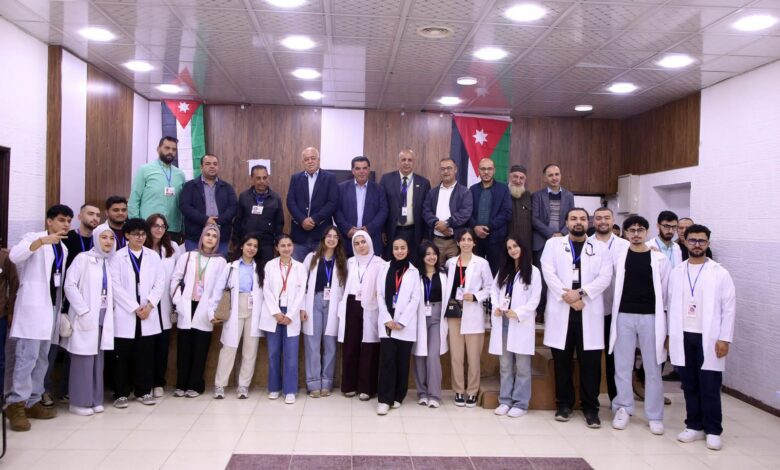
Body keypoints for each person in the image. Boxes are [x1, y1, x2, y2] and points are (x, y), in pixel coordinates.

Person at [541, 208, 612, 428]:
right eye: (573, 219)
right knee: (562, 362)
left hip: (588, 310)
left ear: (588, 223)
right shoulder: (553, 245)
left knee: (590, 364)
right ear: (566, 222)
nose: (578, 222)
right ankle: (564, 405)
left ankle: (591, 408)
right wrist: (568, 297)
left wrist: (580, 293)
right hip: (562, 309)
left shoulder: (600, 248)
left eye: (582, 219)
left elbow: (605, 277)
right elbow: (548, 273)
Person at [4, 204, 71, 432]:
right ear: (49, 221)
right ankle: (16, 404)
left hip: (52, 308)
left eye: (68, 221)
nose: (65, 224)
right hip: (33, 309)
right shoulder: (34, 238)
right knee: (27, 357)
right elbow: (15, 256)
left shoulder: (63, 248)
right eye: (61, 220)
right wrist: (41, 242)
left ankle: (32, 401)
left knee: (43, 357)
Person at [668, 224, 735, 451]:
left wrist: (724, 338)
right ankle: (693, 425)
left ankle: (713, 430)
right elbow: (670, 304)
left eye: (702, 241)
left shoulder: (719, 272)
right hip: (683, 335)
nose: (697, 245)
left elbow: (729, 308)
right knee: (689, 384)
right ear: (685, 242)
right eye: (693, 240)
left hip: (710, 337)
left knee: (709, 384)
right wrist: (669, 335)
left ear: (707, 243)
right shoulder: (677, 271)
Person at [609, 215, 671, 435]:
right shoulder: (618, 256)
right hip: (623, 316)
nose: (636, 234)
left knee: (653, 367)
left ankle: (654, 415)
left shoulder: (660, 259)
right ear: (625, 233)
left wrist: (667, 326)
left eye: (640, 230)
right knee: (622, 365)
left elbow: (666, 293)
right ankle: (623, 408)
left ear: (647, 232)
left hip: (650, 317)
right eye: (631, 230)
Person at [110, 218, 165, 408]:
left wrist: (149, 305)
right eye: (135, 234)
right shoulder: (117, 257)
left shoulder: (153, 256)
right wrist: (134, 307)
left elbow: (160, 282)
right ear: (127, 235)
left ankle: (143, 391)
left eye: (142, 234)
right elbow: (115, 286)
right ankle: (121, 393)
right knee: (123, 355)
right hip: (127, 313)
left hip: (148, 313)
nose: (140, 238)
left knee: (145, 354)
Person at [62, 224, 116, 416]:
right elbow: (69, 285)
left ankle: (95, 400)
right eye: (104, 237)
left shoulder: (109, 261)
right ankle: (79, 402)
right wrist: (83, 311)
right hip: (85, 316)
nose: (108, 241)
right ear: (96, 239)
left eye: (111, 238)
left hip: (102, 316)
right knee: (82, 360)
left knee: (97, 361)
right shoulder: (83, 259)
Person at [170, 224, 227, 398]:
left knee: (200, 349)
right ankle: (181, 385)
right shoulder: (188, 256)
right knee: (184, 348)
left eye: (214, 236)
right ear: (202, 237)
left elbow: (219, 288)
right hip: (186, 306)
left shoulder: (220, 261)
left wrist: (213, 310)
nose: (210, 238)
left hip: (205, 308)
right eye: (207, 235)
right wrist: (178, 301)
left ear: (218, 241)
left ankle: (195, 385)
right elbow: (175, 279)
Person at [489, 236, 541, 418]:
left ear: (523, 247)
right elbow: (494, 291)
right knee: (505, 365)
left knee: (522, 366)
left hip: (520, 322)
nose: (513, 250)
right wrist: (496, 306)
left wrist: (518, 313)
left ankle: (520, 403)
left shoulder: (533, 272)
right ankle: (505, 401)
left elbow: (535, 299)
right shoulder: (504, 270)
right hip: (503, 322)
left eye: (515, 246)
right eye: (509, 248)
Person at [441, 228, 493, 407]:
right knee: (456, 356)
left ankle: (472, 392)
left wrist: (476, 296)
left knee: (473, 357)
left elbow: (490, 288)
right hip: (454, 314)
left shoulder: (482, 263)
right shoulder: (450, 263)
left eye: (469, 239)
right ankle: (458, 390)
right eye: (462, 239)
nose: (466, 242)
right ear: (457, 242)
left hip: (473, 313)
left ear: (474, 242)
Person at [211, 234, 265, 400]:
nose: (252, 248)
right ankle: (220, 385)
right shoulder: (231, 267)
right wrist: (212, 312)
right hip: (235, 308)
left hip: (253, 310)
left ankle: (243, 385)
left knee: (250, 350)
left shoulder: (260, 268)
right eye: (249, 244)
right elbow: (218, 290)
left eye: (255, 246)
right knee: (229, 348)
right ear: (242, 246)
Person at [375, 237, 421, 415]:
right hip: (387, 322)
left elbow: (415, 299)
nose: (399, 251)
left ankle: (398, 396)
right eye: (396, 248)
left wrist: (402, 321)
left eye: (403, 248)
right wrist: (387, 318)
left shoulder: (414, 272)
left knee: (402, 361)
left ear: (408, 250)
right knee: (387, 361)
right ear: (392, 250)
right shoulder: (384, 268)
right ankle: (384, 400)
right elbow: (379, 294)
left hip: (405, 324)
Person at [259, 234, 306, 404]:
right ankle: (274, 387)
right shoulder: (270, 266)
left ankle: (290, 390)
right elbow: (266, 291)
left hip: (291, 313)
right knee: (273, 353)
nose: (286, 248)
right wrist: (276, 312)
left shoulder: (300, 267)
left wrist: (291, 314)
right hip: (274, 312)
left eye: (289, 245)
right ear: (277, 248)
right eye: (283, 245)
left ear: (293, 247)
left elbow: (301, 293)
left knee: (291, 354)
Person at [589, 207, 629, 405]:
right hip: (592, 310)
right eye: (598, 218)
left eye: (606, 218)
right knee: (592, 358)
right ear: (593, 222)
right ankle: (591, 402)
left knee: (615, 358)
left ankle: (617, 402)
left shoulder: (625, 245)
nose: (602, 221)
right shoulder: (586, 243)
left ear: (613, 221)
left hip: (617, 310)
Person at [337, 230, 382, 400]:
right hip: (352, 305)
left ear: (369, 242)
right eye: (356, 243)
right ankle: (349, 385)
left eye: (363, 242)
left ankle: (367, 388)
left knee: (369, 345)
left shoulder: (380, 263)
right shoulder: (349, 262)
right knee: (351, 345)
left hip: (371, 306)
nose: (360, 246)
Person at [302, 227, 347, 397]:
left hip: (333, 303)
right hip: (314, 300)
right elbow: (302, 285)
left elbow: (344, 287)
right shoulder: (311, 258)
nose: (332, 239)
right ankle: (313, 383)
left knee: (330, 345)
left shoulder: (342, 261)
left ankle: (327, 382)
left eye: (335, 237)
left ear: (338, 241)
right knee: (312, 343)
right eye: (329, 236)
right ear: (323, 238)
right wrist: (302, 307)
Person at [531, 164, 575, 320]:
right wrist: (551, 234)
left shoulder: (569, 196)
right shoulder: (537, 195)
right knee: (542, 278)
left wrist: (561, 233)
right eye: (550, 175)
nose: (554, 177)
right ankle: (540, 310)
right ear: (545, 178)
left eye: (557, 174)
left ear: (561, 175)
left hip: (562, 242)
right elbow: (534, 219)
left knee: (562, 275)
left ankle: (560, 310)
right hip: (542, 242)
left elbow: (572, 217)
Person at [145, 213, 182, 398]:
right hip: (146, 304)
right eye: (155, 226)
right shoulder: (142, 247)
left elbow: (178, 275)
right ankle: (145, 382)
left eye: (163, 226)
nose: (159, 229)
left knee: (162, 345)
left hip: (166, 302)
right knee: (146, 346)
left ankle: (158, 382)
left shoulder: (172, 247)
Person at [287, 147, 339, 261]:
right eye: (306, 159)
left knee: (320, 269)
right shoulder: (295, 178)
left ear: (318, 160)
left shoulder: (330, 178)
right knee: (297, 268)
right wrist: (302, 220)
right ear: (303, 162)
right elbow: (290, 201)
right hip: (299, 235)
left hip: (321, 235)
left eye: (313, 158)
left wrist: (314, 219)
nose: (310, 161)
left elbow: (332, 202)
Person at [128, 136, 186, 239]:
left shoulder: (180, 174)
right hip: (148, 227)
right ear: (158, 149)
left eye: (174, 149)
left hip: (173, 229)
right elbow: (134, 200)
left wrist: (183, 228)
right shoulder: (145, 170)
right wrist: (136, 226)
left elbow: (183, 203)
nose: (170, 152)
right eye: (167, 148)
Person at [179, 154, 238, 256]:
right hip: (195, 237)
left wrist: (217, 221)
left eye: (215, 164)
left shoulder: (227, 187)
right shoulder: (190, 186)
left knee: (219, 265)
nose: (212, 166)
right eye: (208, 164)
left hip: (221, 236)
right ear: (201, 167)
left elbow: (233, 207)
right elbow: (185, 207)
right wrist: (205, 219)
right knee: (194, 265)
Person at [379, 149, 431, 262]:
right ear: (398, 161)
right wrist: (382, 230)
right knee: (392, 262)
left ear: (414, 162)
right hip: (392, 231)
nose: (406, 163)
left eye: (409, 160)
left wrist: (426, 235)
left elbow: (427, 210)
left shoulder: (423, 182)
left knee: (413, 263)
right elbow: (381, 206)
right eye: (403, 160)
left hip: (414, 232)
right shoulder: (386, 179)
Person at [412, 241, 447, 409]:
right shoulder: (415, 275)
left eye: (434, 254)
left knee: (433, 355)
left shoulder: (444, 274)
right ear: (422, 257)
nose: (431, 257)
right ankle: (422, 393)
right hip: (419, 317)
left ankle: (434, 394)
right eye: (427, 254)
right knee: (419, 355)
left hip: (436, 318)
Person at [335, 156, 388, 256]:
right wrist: (348, 229)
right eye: (358, 168)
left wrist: (369, 229)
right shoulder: (341, 188)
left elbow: (383, 211)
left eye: (364, 168)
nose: (361, 171)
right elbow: (337, 211)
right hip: (347, 239)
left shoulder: (379, 189)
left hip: (371, 238)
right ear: (352, 171)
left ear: (369, 170)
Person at [422, 158, 473, 261]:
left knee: (456, 269)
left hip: (455, 241)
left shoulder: (464, 192)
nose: (446, 171)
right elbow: (426, 211)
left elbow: (465, 213)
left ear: (455, 169)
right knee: (436, 269)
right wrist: (437, 224)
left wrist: (446, 224)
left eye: (449, 168)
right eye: (443, 169)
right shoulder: (432, 192)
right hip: (436, 241)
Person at [469, 158, 512, 274]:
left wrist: (488, 227)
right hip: (476, 239)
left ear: (494, 170)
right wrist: (475, 227)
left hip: (496, 239)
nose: (486, 172)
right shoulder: (472, 189)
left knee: (495, 273)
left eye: (489, 169)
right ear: (478, 170)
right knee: (475, 272)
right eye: (483, 169)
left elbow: (507, 212)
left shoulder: (503, 189)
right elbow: (468, 212)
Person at [233, 164, 284, 261]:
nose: (262, 181)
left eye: (264, 178)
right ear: (252, 179)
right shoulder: (244, 197)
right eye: (258, 178)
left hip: (267, 245)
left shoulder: (275, 198)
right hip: (247, 244)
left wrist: (277, 244)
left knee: (265, 270)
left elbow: (279, 224)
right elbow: (238, 221)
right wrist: (236, 242)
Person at [0, 246, 19, 395]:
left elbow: (14, 284)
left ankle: (1, 394)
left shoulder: (5, 257)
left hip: (0, 315)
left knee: (0, 358)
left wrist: (11, 311)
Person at [507, 165, 533, 251]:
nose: (518, 181)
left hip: (525, 243)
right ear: (510, 176)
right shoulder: (502, 192)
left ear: (525, 180)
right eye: (515, 176)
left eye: (521, 178)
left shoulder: (528, 196)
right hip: (505, 242)